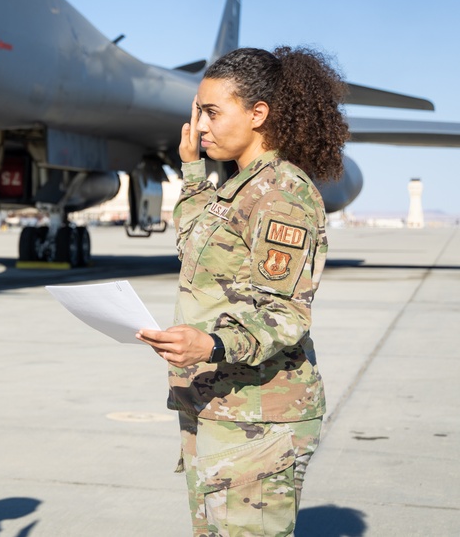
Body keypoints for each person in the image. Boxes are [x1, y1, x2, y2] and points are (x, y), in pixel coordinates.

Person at [137, 46, 350, 536]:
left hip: (260, 417)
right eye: (198, 113)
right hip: (217, 404)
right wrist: (192, 171)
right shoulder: (238, 187)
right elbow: (194, 245)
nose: (201, 126)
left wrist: (209, 344)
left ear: (258, 114)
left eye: (212, 112)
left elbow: (284, 313)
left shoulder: (280, 195)